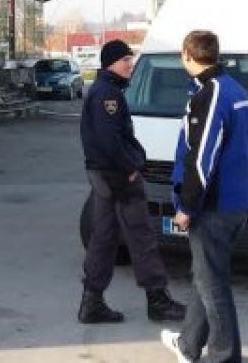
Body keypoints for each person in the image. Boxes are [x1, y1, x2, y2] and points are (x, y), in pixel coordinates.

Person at [161, 30, 248, 363]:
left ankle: (224, 357)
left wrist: (187, 205)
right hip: (236, 200)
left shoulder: (211, 95)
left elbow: (202, 157)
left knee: (213, 286)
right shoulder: (235, 90)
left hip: (214, 206)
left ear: (187, 54)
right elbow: (247, 143)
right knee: (206, 275)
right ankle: (189, 345)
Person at [79, 39, 186, 324]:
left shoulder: (105, 90)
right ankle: (157, 300)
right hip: (117, 176)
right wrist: (130, 167)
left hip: (104, 175)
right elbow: (110, 140)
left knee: (103, 238)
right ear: (110, 63)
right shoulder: (107, 94)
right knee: (140, 236)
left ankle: (92, 302)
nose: (130, 64)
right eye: (125, 60)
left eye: (130, 59)